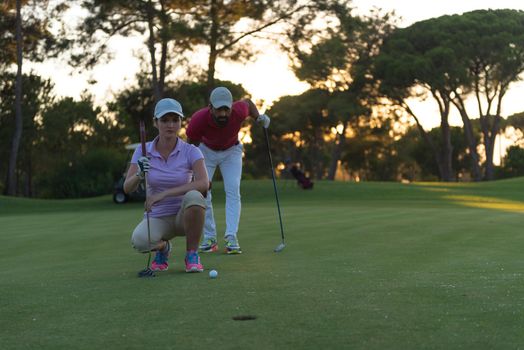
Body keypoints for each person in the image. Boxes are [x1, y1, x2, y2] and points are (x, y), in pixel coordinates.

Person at [124, 98, 209, 272]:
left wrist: (163, 194)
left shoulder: (191, 151)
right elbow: (127, 188)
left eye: (175, 120)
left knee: (195, 196)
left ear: (180, 123)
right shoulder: (142, 150)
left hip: (183, 216)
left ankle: (192, 254)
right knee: (139, 241)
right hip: (158, 217)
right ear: (155, 122)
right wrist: (139, 175)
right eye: (164, 120)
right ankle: (163, 248)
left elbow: (203, 183)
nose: (170, 125)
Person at [186, 87, 270, 254]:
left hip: (231, 151)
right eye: (219, 110)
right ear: (210, 107)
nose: (223, 113)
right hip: (206, 151)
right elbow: (191, 143)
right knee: (203, 192)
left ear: (231, 107)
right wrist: (190, 168)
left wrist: (259, 117)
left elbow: (248, 102)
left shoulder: (239, 110)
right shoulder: (198, 119)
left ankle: (231, 236)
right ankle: (210, 238)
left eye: (226, 109)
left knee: (232, 190)